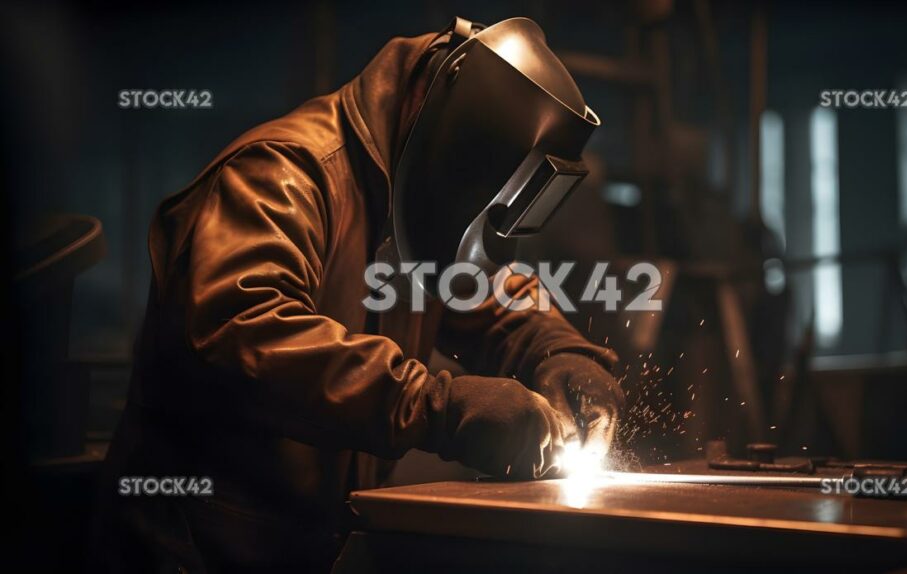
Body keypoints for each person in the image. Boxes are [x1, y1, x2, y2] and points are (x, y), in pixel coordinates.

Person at [93, 17, 622, 572]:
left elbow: (486, 291)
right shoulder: (280, 176)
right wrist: (437, 407)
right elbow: (245, 333)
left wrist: (562, 354)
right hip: (196, 551)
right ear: (460, 145)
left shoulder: (416, 205)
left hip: (314, 550)